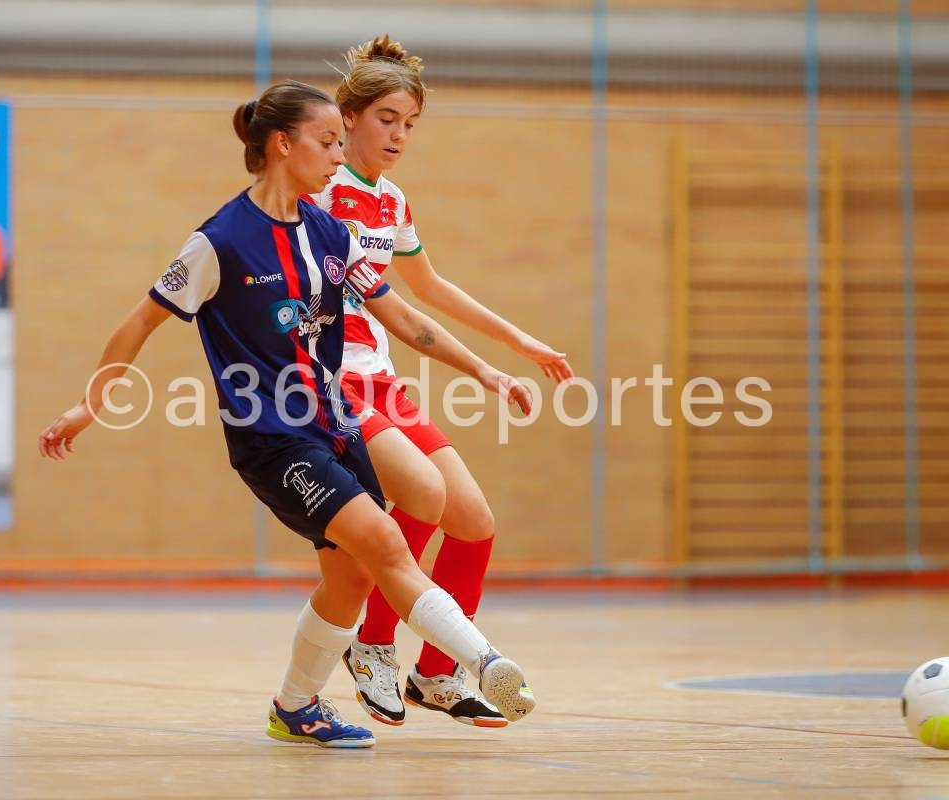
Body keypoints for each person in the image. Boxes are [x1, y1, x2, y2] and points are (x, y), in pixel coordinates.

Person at [37, 80, 537, 749]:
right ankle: (485, 661)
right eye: (328, 142)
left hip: (335, 425)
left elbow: (405, 317)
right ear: (282, 144)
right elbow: (139, 322)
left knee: (353, 576)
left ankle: (294, 708)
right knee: (387, 541)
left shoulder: (330, 233)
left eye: (339, 142)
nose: (338, 156)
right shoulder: (220, 242)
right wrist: (88, 404)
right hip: (272, 438)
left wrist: (485, 370)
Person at [309, 35, 573, 728]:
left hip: (383, 379)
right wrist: (483, 370)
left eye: (410, 123)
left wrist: (517, 341)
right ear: (351, 117)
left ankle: (435, 673)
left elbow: (428, 285)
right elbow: (397, 311)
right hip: (332, 382)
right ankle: (370, 647)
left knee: (475, 522)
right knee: (421, 498)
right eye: (387, 118)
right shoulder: (322, 192)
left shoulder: (390, 200)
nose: (399, 135)